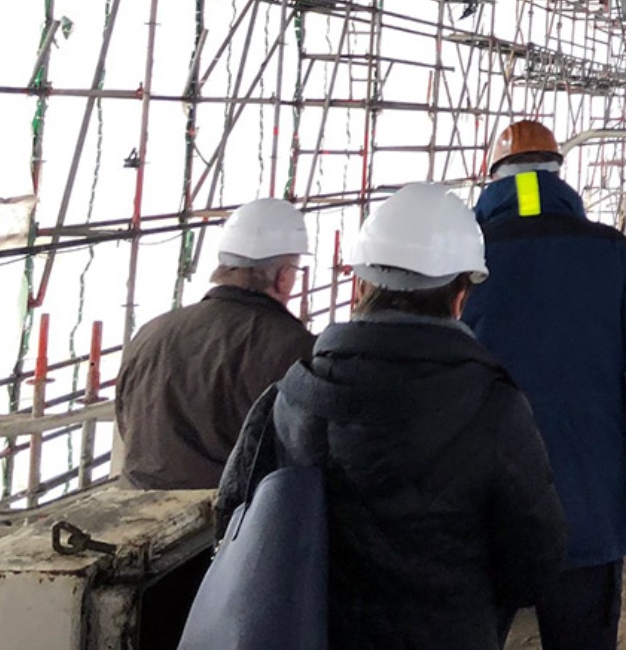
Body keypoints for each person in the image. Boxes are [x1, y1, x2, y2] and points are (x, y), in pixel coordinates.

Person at [216, 182, 565, 650]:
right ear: (460, 297)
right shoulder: (495, 409)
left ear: (360, 286)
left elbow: (235, 530)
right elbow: (535, 564)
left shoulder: (286, 400)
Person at [465, 121, 626, 650]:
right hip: (587, 505)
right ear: (560, 174)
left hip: (480, 511)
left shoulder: (462, 263)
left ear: (492, 178)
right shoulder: (610, 252)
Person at [114, 197, 313, 490]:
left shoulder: (152, 331)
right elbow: (303, 449)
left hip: (136, 500)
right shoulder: (292, 347)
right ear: (283, 277)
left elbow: (126, 419)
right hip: (227, 512)